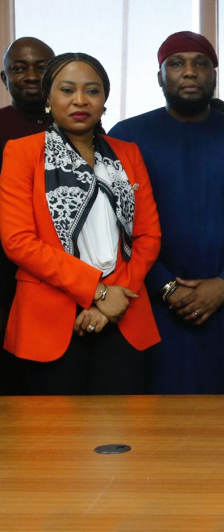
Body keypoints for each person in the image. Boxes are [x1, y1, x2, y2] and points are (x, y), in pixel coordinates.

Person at [109, 31, 224, 393]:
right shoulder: (125, 136)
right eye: (176, 64)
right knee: (155, 406)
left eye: (200, 63)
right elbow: (118, 222)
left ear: (213, 75)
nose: (189, 71)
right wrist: (166, 286)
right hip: (151, 298)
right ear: (160, 77)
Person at [0, 53, 161, 394]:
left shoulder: (128, 153)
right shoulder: (22, 152)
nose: (80, 100)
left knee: (127, 425)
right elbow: (18, 241)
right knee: (53, 427)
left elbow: (148, 236)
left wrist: (113, 300)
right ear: (48, 97)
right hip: (49, 319)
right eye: (67, 90)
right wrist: (97, 292)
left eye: (92, 90)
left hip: (123, 312)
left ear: (104, 100)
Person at [0, 37, 54, 394]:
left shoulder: (81, 126)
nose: (32, 76)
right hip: (6, 271)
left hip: (66, 272)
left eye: (42, 67)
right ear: (4, 79)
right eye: (19, 69)